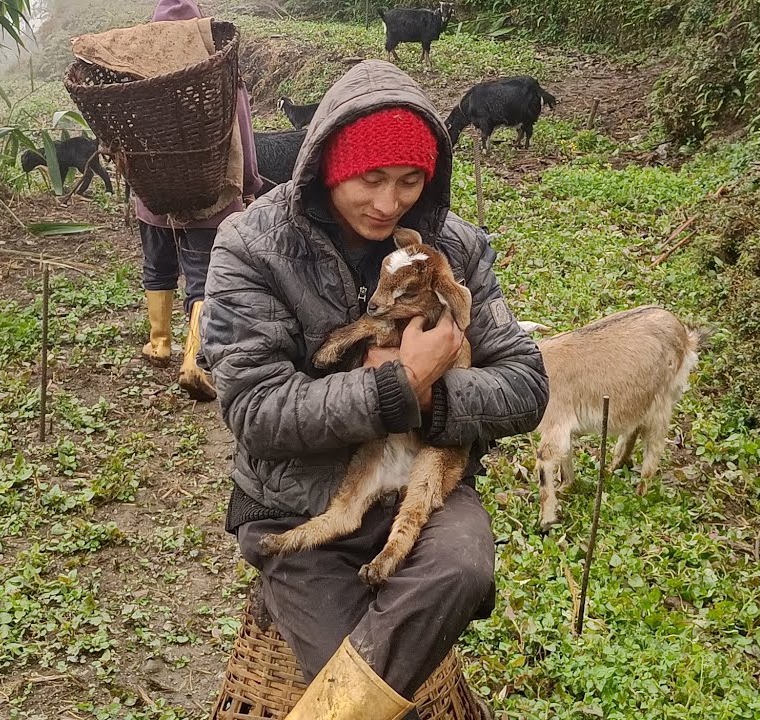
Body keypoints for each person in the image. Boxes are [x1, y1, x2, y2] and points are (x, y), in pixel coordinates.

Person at [199, 60, 549, 719]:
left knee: (464, 565)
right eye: (371, 178)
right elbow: (255, 410)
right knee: (373, 684)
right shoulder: (251, 248)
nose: (390, 203)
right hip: (294, 501)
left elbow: (526, 384)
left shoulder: (456, 251)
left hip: (422, 485)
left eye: (410, 180)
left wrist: (439, 402)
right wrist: (401, 386)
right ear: (331, 163)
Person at [136, 0, 262, 401]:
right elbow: (242, 130)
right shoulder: (218, 67)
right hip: (210, 194)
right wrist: (249, 182)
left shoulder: (138, 71)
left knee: (157, 265)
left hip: (153, 198)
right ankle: (194, 360)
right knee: (203, 277)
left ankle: (159, 343)